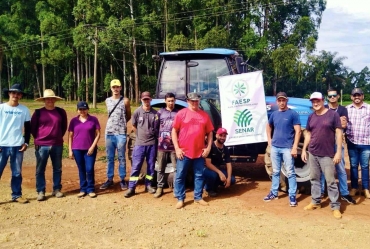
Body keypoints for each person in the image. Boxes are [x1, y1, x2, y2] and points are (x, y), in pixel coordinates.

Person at [301, 92, 342, 219]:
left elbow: (339, 133)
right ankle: (315, 202)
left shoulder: (333, 115)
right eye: (313, 101)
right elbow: (308, 134)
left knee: (330, 181)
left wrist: (339, 152)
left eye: (317, 100)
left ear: (323, 100)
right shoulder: (311, 116)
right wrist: (304, 149)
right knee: (314, 179)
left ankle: (335, 206)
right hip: (313, 153)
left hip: (327, 154)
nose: (315, 103)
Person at [172, 92, 214, 209]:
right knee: (180, 175)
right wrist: (177, 148)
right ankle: (180, 198)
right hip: (184, 152)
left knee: (199, 175)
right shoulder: (181, 114)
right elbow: (174, 131)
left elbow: (210, 132)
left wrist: (208, 147)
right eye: (192, 101)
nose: (195, 103)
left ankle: (198, 197)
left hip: (199, 152)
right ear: (188, 101)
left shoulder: (204, 115)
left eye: (196, 101)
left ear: (199, 101)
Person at [263, 92, 301, 207]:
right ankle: (274, 193)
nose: (281, 102)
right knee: (275, 171)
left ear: (286, 100)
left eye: (283, 100)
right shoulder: (274, 114)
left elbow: (298, 131)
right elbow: (268, 126)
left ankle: (292, 195)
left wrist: (294, 147)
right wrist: (269, 140)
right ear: (277, 101)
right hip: (275, 147)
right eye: (279, 100)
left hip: (287, 149)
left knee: (290, 172)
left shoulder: (293, 114)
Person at [320, 88, 356, 204]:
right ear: (327, 97)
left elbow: (344, 125)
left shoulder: (342, 109)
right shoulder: (323, 108)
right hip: (325, 141)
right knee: (323, 168)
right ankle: (321, 191)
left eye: (334, 95)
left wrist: (332, 123)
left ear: (338, 96)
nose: (332, 98)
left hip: (337, 142)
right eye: (330, 96)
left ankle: (344, 193)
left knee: (340, 169)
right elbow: (321, 123)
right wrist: (336, 122)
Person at [31, 89, 68, 201]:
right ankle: (41, 191)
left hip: (57, 144)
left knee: (57, 168)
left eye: (52, 99)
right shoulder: (38, 113)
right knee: (40, 169)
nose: (50, 101)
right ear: (44, 100)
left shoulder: (61, 112)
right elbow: (33, 128)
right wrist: (39, 139)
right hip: (42, 145)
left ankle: (56, 189)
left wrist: (57, 136)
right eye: (47, 99)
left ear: (55, 100)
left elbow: (64, 127)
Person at [0, 84, 31, 203]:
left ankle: (17, 195)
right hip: (2, 145)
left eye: (18, 93)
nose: (15, 95)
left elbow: (28, 128)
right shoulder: (1, 108)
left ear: (21, 96)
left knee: (17, 172)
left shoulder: (24, 110)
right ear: (9, 94)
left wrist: (26, 143)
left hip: (17, 145)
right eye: (13, 93)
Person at [124, 91, 159, 198]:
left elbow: (157, 127)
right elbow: (133, 126)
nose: (146, 101)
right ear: (141, 100)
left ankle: (148, 185)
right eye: (144, 99)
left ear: (151, 100)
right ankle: (131, 188)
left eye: (148, 99)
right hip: (139, 144)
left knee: (151, 166)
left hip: (152, 144)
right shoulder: (137, 112)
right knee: (136, 166)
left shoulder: (155, 114)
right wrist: (140, 135)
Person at [100, 79, 131, 190]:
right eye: (114, 87)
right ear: (111, 88)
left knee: (121, 157)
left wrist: (121, 124)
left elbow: (128, 115)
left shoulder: (125, 100)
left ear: (121, 88)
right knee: (110, 158)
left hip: (121, 133)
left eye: (117, 87)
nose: (116, 89)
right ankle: (109, 179)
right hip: (109, 133)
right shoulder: (107, 100)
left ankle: (122, 179)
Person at [68, 101, 101, 198]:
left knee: (89, 169)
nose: (82, 111)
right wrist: (70, 150)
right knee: (81, 169)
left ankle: (90, 188)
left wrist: (92, 146)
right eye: (80, 109)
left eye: (84, 109)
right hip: (77, 148)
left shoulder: (93, 119)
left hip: (90, 149)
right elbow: (70, 136)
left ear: (88, 109)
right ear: (77, 110)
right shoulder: (73, 121)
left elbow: (98, 134)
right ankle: (83, 189)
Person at [346, 88, 370, 199]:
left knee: (365, 166)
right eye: (354, 95)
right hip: (352, 143)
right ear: (351, 97)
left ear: (362, 96)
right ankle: (354, 188)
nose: (357, 97)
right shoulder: (347, 109)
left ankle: (365, 188)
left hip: (366, 143)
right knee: (354, 166)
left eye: (359, 95)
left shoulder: (368, 108)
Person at [154, 92, 178, 198]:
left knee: (177, 168)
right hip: (162, 146)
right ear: (165, 101)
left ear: (175, 101)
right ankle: (160, 187)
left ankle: (177, 188)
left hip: (174, 146)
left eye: (172, 101)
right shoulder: (160, 113)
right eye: (169, 101)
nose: (171, 103)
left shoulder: (178, 114)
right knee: (161, 168)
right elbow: (155, 128)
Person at [204, 128, 235, 197]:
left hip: (217, 169)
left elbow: (229, 164)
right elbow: (208, 163)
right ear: (216, 135)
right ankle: (208, 189)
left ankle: (215, 185)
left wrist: (229, 178)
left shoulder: (225, 149)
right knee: (213, 175)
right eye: (221, 135)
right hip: (207, 169)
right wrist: (220, 173)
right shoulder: (211, 146)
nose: (222, 137)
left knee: (232, 179)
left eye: (224, 136)